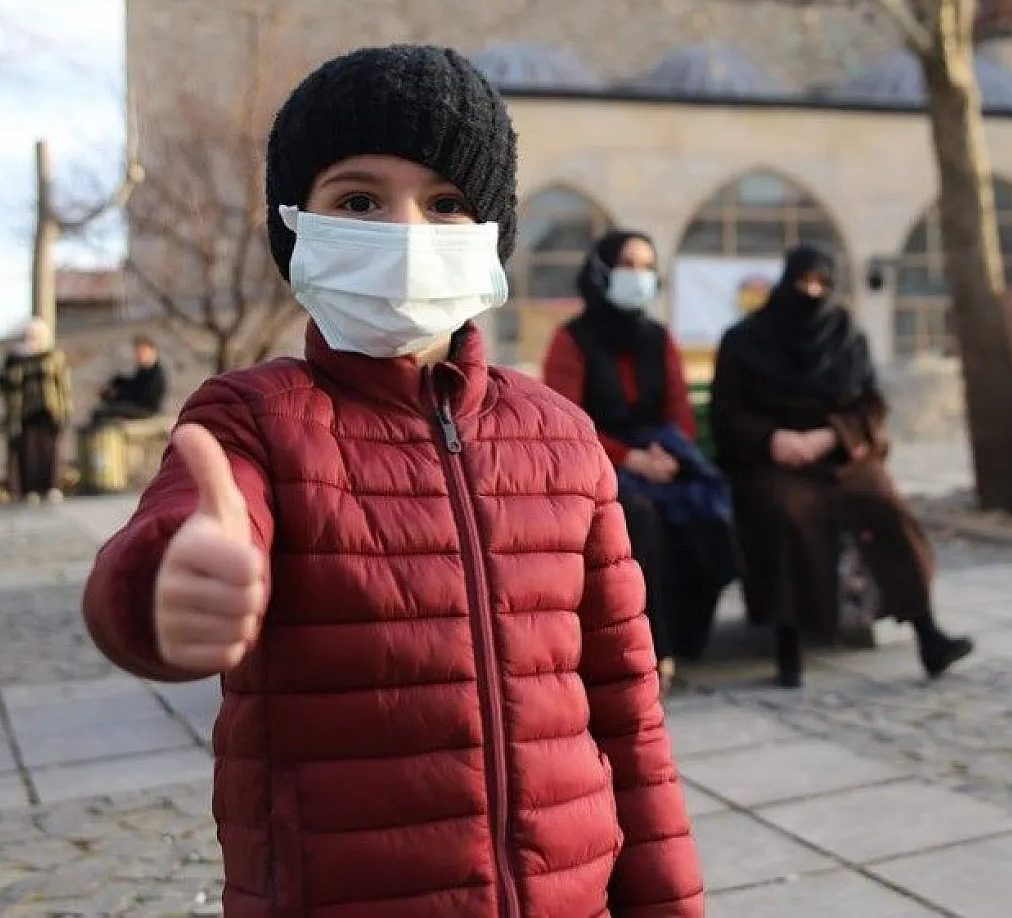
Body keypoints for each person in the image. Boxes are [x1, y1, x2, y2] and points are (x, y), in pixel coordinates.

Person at [81, 45, 703, 918]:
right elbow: (184, 530)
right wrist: (164, 581)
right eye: (360, 201)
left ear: (494, 233)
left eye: (447, 202)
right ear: (299, 223)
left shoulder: (560, 437)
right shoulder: (251, 420)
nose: (408, 233)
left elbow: (628, 716)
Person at [710, 244, 973, 689]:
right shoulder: (745, 340)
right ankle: (788, 647)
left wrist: (831, 435)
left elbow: (871, 404)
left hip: (839, 454)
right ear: (786, 281)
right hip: (774, 461)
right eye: (803, 282)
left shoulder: (847, 336)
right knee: (785, 513)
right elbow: (727, 412)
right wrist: (774, 439)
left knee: (883, 505)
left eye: (822, 283)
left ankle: (928, 633)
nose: (812, 291)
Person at [543, 230, 737, 693]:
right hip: (598, 464)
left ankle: (689, 639)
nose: (639, 275)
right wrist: (627, 457)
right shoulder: (573, 340)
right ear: (602, 270)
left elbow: (678, 411)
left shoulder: (657, 338)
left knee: (711, 512)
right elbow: (567, 420)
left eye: (647, 266)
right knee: (639, 518)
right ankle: (654, 651)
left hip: (660, 456)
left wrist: (666, 456)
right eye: (628, 264)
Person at [0, 317, 72, 505]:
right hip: (23, 413)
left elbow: (62, 385)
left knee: (50, 452)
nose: (32, 339)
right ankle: (29, 490)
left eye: (36, 335)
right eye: (29, 335)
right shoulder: (13, 359)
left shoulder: (52, 355)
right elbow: (4, 385)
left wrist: (65, 410)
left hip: (48, 410)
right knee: (28, 453)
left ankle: (52, 487)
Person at [88, 335, 168, 428]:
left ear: (154, 351)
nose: (140, 356)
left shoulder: (156, 374)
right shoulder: (144, 369)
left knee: (102, 413)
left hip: (147, 410)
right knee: (103, 408)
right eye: (138, 353)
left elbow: (141, 395)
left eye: (143, 352)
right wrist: (117, 383)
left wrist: (117, 395)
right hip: (138, 405)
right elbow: (133, 384)